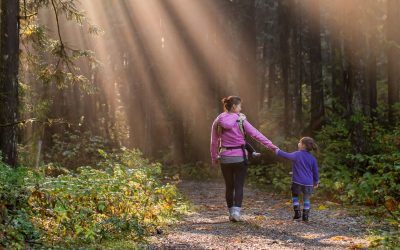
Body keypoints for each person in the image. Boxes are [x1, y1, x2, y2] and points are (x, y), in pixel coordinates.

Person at [210, 96, 278, 222]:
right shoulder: (241, 120)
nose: (241, 108)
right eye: (240, 106)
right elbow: (257, 135)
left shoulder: (218, 120)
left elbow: (214, 142)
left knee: (229, 186)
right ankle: (236, 213)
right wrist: (272, 147)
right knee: (239, 185)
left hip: (225, 157)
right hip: (240, 157)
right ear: (235, 107)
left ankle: (231, 213)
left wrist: (214, 157)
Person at [275, 137, 319, 222]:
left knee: (295, 196)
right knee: (306, 199)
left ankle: (297, 212)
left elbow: (286, 155)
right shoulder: (312, 158)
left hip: (297, 181)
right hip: (308, 183)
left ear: (303, 145)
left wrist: (277, 151)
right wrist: (316, 181)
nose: (298, 143)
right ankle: (305, 216)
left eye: (299, 142)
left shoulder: (297, 154)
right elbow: (315, 171)